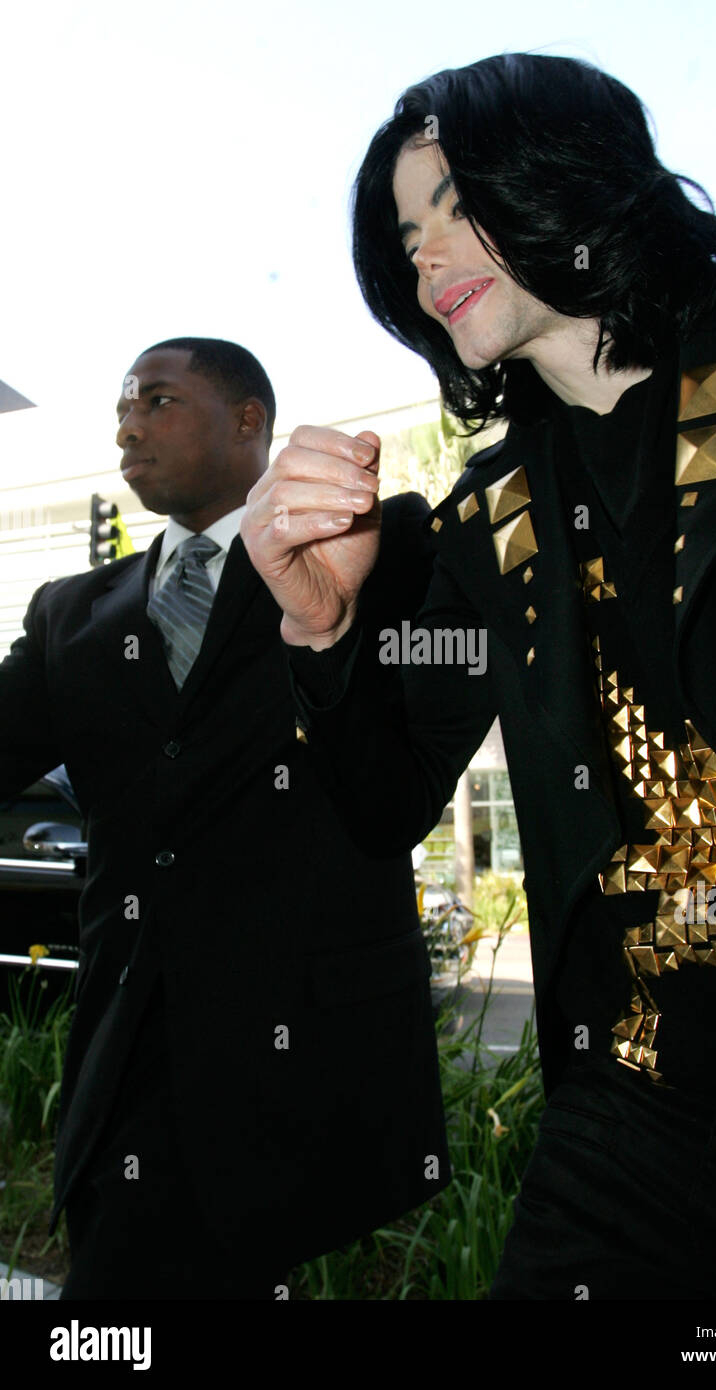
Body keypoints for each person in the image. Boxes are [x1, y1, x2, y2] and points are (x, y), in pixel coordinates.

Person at [241, 55, 716, 1299]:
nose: (424, 255)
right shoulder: (484, 520)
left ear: (571, 169)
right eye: (404, 236)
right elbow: (384, 800)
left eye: (455, 204)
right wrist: (318, 629)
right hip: (632, 1122)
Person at [0, 337, 450, 1299]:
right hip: (125, 1061)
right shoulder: (68, 614)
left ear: (251, 420)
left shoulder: (373, 549)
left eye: (157, 400)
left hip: (299, 1059)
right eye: (121, 406)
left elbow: (396, 785)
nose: (127, 424)